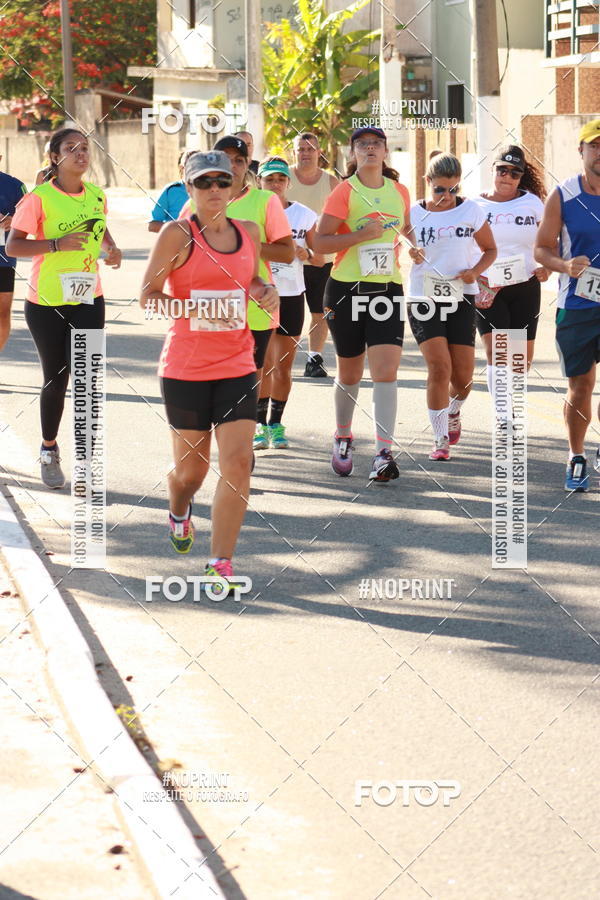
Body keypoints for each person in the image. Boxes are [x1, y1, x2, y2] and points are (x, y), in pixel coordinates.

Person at [140, 150, 279, 581]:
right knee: (191, 472)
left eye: (222, 181)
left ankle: (221, 562)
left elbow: (250, 278)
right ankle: (179, 506)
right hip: (187, 368)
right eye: (204, 182)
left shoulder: (249, 231)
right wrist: (195, 307)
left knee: (238, 462)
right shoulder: (177, 234)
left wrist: (265, 289)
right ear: (189, 187)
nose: (214, 189)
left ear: (235, 185)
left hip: (237, 362)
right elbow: (148, 297)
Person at [7, 127, 122, 488]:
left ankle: (85, 460)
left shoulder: (97, 195)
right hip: (47, 303)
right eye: (71, 148)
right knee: (57, 379)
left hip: (89, 298)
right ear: (55, 157)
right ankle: (49, 448)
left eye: (85, 147)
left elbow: (100, 230)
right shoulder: (38, 198)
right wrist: (56, 244)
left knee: (86, 379)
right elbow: (13, 246)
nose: (81, 153)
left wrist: (112, 249)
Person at [313, 126, 418, 481]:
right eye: (362, 144)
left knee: (386, 371)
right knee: (351, 373)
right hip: (347, 290)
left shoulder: (399, 191)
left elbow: (406, 227)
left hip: (387, 289)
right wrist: (360, 235)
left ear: (386, 151)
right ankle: (343, 435)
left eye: (376, 144)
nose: (370, 149)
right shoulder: (345, 191)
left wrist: (413, 246)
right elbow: (320, 243)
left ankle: (383, 452)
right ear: (353, 153)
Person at [408, 153, 496, 460]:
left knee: (463, 378)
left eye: (452, 189)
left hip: (461, 296)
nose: (446, 196)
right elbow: (399, 246)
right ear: (427, 182)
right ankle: (439, 438)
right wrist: (411, 252)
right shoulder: (414, 213)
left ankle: (454, 410)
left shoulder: (470, 210)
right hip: (423, 297)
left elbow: (490, 249)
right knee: (439, 367)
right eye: (439, 189)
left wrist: (475, 271)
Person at [534, 118, 600, 492]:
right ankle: (576, 455)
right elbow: (541, 249)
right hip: (577, 304)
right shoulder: (563, 195)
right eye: (595, 145)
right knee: (581, 385)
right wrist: (565, 265)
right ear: (582, 150)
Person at [472, 145, 548, 419]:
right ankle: (503, 414)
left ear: (521, 176)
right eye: (502, 170)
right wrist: (475, 276)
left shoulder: (533, 203)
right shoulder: (475, 205)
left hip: (525, 284)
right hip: (487, 286)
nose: (507, 177)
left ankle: (510, 401)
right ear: (492, 169)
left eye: (515, 173)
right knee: (498, 351)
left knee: (521, 359)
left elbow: (549, 240)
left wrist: (547, 266)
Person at [255, 156, 318, 449]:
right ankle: (258, 424)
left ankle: (276, 424)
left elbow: (320, 256)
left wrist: (308, 254)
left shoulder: (304, 215)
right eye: (269, 179)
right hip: (261, 295)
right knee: (263, 365)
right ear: (259, 182)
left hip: (291, 295)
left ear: (288, 183)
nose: (275, 184)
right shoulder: (252, 210)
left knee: (283, 367)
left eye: (280, 179)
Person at [288, 132, 339, 378]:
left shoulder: (331, 182)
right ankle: (277, 359)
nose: (305, 153)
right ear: (294, 152)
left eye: (310, 149)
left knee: (321, 311)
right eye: (301, 149)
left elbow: (341, 217)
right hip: (286, 259)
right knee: (284, 312)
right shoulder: (282, 178)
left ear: (319, 153)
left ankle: (314, 359)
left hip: (321, 259)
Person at [0, 155, 26, 350]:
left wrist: (14, 221)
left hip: (4, 260)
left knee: (2, 313)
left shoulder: (15, 186)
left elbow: (33, 219)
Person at [148, 150, 192, 232]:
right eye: (189, 166)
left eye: (198, 166)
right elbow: (153, 225)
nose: (194, 170)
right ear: (181, 168)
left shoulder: (210, 190)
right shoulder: (170, 190)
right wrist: (179, 229)